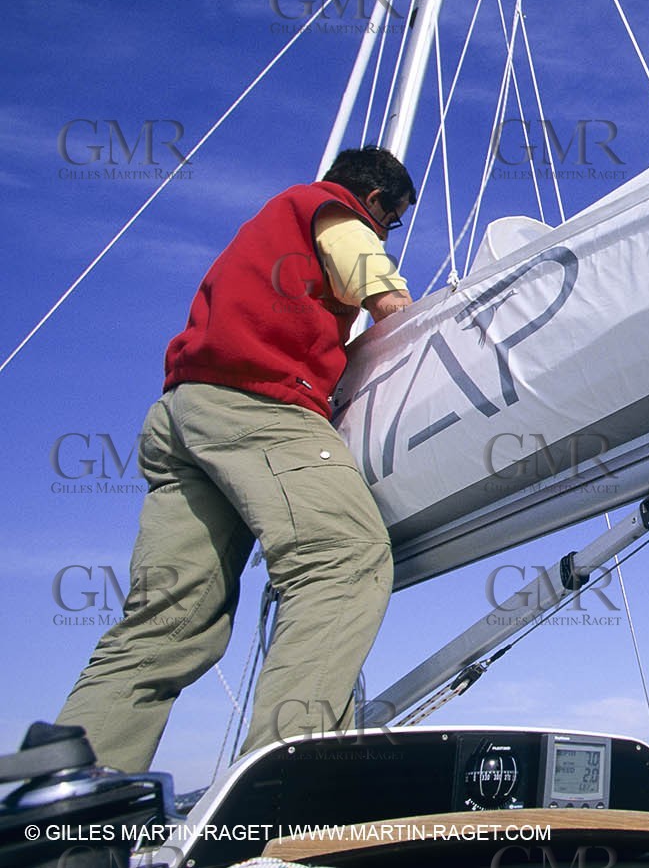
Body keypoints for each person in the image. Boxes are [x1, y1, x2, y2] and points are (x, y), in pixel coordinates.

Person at [56, 145, 417, 773]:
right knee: (344, 558)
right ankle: (286, 785)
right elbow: (380, 291)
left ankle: (71, 793)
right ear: (378, 200)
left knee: (167, 619)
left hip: (182, 413)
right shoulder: (327, 209)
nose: (387, 231)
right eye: (393, 220)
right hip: (259, 405)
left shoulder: (264, 228)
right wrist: (409, 319)